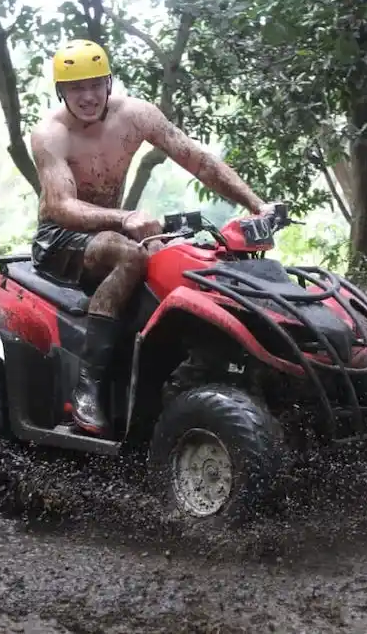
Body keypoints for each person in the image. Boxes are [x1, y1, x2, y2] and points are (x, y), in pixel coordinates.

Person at [28, 39, 271, 438]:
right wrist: (126, 218)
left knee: (182, 258)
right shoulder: (51, 134)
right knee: (131, 256)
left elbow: (199, 160)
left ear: (109, 82)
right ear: (61, 91)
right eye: (76, 88)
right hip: (60, 238)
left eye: (94, 84)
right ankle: (87, 386)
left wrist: (256, 205)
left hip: (112, 229)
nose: (87, 97)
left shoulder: (136, 115)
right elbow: (61, 206)